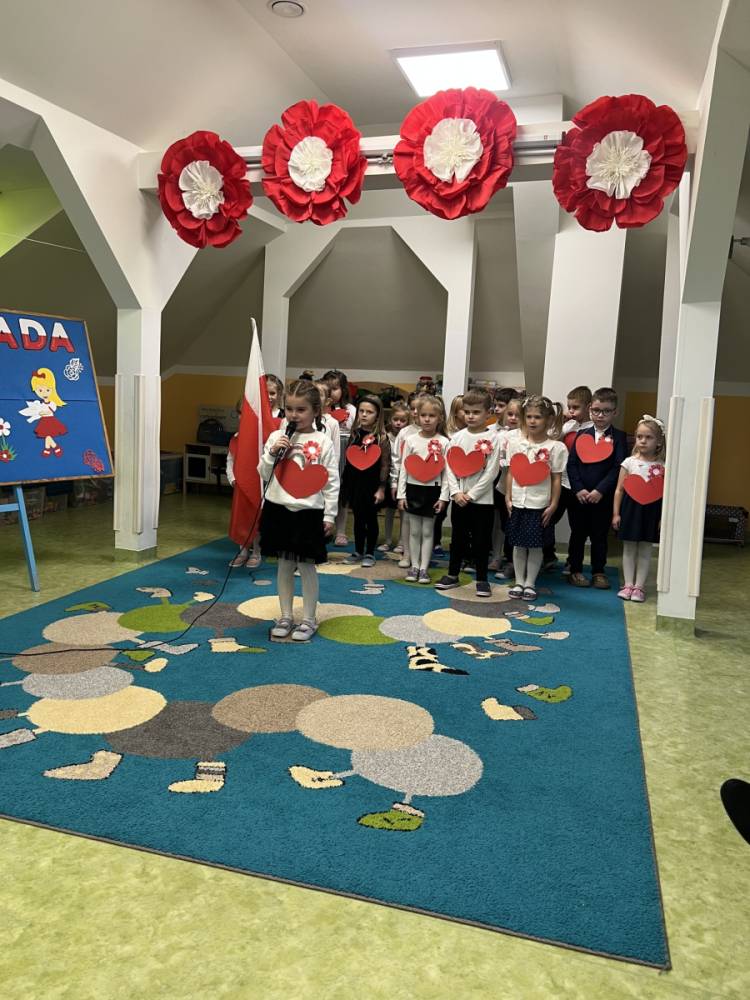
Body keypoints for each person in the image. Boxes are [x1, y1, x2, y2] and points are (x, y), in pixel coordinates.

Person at [258, 380, 339, 642]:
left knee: (306, 566)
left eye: (301, 409)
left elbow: (331, 481)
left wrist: (329, 515)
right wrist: (272, 454)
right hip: (279, 509)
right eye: (290, 409)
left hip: (308, 512)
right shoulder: (276, 437)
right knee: (283, 565)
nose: (294, 415)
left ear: (316, 411)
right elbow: (264, 473)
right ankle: (285, 616)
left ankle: (308, 619)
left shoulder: (323, 441)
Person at [435, 389, 501, 597]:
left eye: (476, 412)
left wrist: (472, 495)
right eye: (467, 412)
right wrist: (456, 493)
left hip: (482, 501)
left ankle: (482, 579)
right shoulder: (457, 437)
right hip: (459, 500)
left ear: (488, 413)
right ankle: (452, 574)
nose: (471, 416)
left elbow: (492, 471)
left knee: (482, 540)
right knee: (458, 538)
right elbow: (449, 466)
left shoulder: (494, 438)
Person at [505, 395, 567, 601]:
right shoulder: (515, 444)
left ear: (549, 420)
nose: (532, 421)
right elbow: (511, 473)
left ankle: (530, 582)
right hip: (518, 502)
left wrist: (554, 504)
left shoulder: (555, 447)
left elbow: (556, 478)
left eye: (538, 417)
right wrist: (508, 497)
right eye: (529, 416)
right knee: (518, 544)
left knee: (535, 545)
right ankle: (518, 581)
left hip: (539, 503)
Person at [566, 387, 628, 589]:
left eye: (606, 411)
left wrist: (600, 490)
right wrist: (578, 489)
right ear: (590, 409)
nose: (601, 415)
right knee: (578, 534)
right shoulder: (581, 434)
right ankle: (575, 570)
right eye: (596, 410)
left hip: (603, 497)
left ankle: (598, 571)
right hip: (580, 496)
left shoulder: (619, 437)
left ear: (615, 412)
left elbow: (618, 467)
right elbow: (572, 464)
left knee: (599, 536)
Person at [612, 415, 666, 602]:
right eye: (640, 436)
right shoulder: (629, 463)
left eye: (649, 437)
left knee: (645, 549)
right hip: (630, 510)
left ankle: (639, 587)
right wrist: (616, 513)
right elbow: (619, 490)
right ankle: (628, 584)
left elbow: (664, 496)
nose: (643, 441)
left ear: (659, 442)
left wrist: (662, 518)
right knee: (628, 548)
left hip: (650, 512)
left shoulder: (663, 466)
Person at [397, 394, 449, 584]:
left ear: (439, 418)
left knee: (428, 531)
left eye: (432, 416)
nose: (427, 419)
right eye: (423, 415)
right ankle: (414, 566)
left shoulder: (444, 442)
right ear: (417, 416)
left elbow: (447, 474)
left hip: (433, 492)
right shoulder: (410, 440)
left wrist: (443, 497)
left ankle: (424, 568)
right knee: (414, 531)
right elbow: (404, 468)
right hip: (413, 490)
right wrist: (401, 494)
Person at [543, 385, 593, 573]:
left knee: (578, 527)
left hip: (580, 485)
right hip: (561, 482)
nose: (571, 411)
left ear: (588, 406)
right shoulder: (567, 426)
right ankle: (548, 554)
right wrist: (559, 422)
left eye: (576, 407)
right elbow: (551, 440)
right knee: (547, 519)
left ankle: (573, 562)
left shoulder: (593, 429)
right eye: (569, 407)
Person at [340, 395, 391, 567]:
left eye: (369, 412)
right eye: (361, 411)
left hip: (372, 484)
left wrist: (381, 488)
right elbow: (349, 459)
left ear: (377, 415)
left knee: (370, 518)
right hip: (355, 482)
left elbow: (385, 465)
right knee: (358, 518)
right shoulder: (354, 434)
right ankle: (358, 550)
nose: (364, 414)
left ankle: (370, 552)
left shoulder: (382, 438)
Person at [322, 369, 357, 546]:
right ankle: (323, 528)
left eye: (335, 388)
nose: (331, 392)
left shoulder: (351, 410)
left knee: (342, 493)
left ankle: (341, 531)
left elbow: (354, 432)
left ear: (343, 390)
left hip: (344, 451)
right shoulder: (320, 409)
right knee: (323, 490)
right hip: (323, 451)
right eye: (328, 388)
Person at [389, 391, 422, 568]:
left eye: (419, 408)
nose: (416, 412)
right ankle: (407, 554)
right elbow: (397, 459)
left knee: (423, 522)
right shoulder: (404, 432)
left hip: (427, 483)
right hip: (407, 480)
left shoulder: (434, 431)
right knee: (407, 518)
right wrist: (395, 482)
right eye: (413, 408)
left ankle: (421, 555)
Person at [491, 396, 522, 578]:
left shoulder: (527, 437)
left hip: (521, 489)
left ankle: (512, 562)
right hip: (501, 486)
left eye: (518, 415)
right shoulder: (500, 436)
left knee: (513, 525)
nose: (513, 418)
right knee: (500, 524)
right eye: (510, 414)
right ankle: (496, 557)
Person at [378, 402, 409, 552]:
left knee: (403, 510)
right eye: (395, 419)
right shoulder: (385, 437)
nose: (398, 423)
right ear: (390, 419)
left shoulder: (409, 437)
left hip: (403, 479)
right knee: (389, 511)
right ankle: (388, 540)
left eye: (403, 420)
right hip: (389, 479)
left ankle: (402, 542)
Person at [25, 367, 67, 457]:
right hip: (43, 421)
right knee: (47, 436)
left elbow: (49, 411)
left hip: (50, 421)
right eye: (40, 390)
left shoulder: (52, 403)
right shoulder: (40, 403)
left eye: (47, 390)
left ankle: (51, 448)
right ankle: (52, 448)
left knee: (47, 436)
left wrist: (41, 413)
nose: (44, 393)